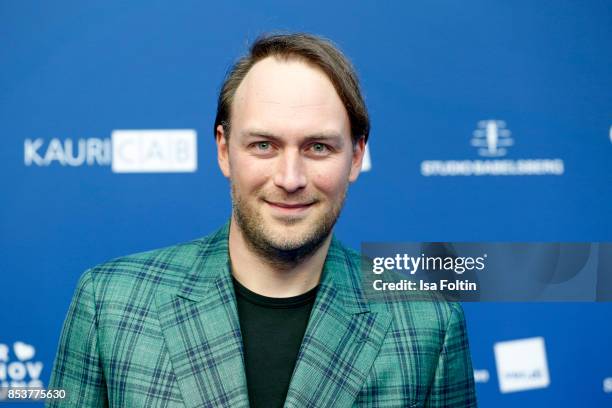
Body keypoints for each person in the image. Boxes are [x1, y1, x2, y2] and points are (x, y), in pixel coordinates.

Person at [47, 33, 477, 407]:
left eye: (318, 148)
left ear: (356, 156)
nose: (290, 179)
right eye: (264, 145)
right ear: (223, 149)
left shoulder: (427, 323)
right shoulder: (110, 303)